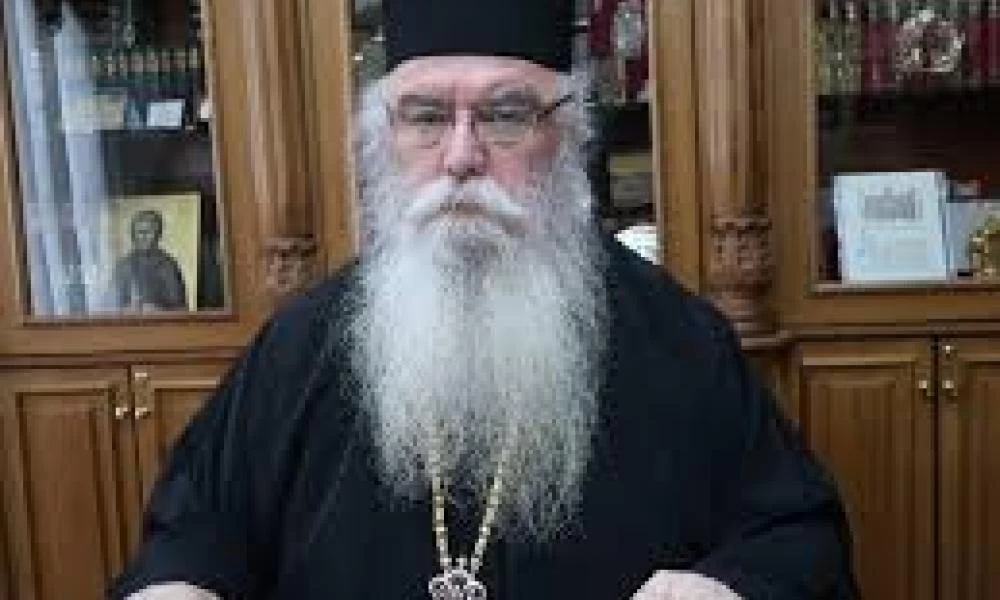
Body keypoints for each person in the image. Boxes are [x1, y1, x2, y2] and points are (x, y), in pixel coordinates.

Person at [111, 0, 857, 598]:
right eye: (427, 116)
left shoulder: (677, 341)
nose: (462, 156)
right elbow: (196, 530)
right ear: (384, 136)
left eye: (505, 115)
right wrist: (178, 584)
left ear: (566, 135)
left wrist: (726, 587)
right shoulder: (300, 348)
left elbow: (796, 535)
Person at [112, 209, 188, 311]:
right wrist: (128, 309)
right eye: (140, 232)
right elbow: (110, 304)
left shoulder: (167, 266)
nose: (144, 237)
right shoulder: (124, 266)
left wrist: (157, 309)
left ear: (157, 235)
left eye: (148, 232)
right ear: (133, 235)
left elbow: (180, 308)